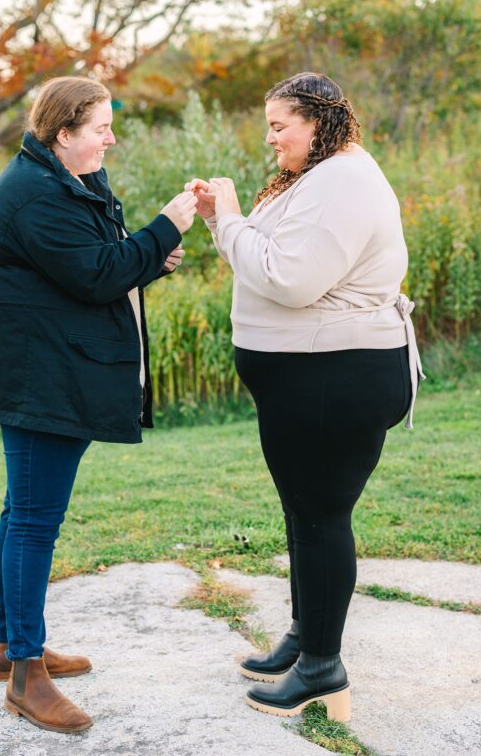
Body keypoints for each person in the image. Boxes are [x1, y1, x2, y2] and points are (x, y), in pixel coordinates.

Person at [186, 72, 423, 724]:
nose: (270, 139)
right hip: (307, 376)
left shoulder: (343, 181)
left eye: (277, 125)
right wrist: (221, 221)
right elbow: (264, 256)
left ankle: (322, 665)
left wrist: (229, 214)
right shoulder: (318, 176)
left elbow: (289, 280)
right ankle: (305, 632)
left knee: (320, 520)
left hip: (336, 376)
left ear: (316, 122)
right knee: (303, 515)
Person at [0, 76, 197, 734]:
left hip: (44, 368)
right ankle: (25, 676)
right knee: (34, 521)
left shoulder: (58, 181)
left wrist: (147, 255)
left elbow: (93, 261)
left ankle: (11, 646)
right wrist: (166, 225)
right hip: (38, 378)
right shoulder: (36, 193)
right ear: (62, 133)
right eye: (99, 126)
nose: (110, 136)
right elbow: (96, 276)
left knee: (23, 512)